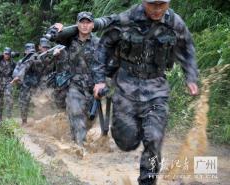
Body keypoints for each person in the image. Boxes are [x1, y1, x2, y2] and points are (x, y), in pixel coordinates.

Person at [92, 0, 199, 184]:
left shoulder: (174, 22)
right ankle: (136, 129)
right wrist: (99, 80)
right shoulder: (126, 19)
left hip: (156, 89)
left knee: (154, 138)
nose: (157, 10)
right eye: (152, 5)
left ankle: (148, 181)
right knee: (126, 142)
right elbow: (103, 46)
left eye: (162, 5)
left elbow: (187, 48)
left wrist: (191, 77)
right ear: (144, 2)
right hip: (126, 88)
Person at [53, 12, 100, 146]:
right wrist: (59, 28)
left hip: (92, 87)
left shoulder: (98, 43)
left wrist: (103, 84)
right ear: (77, 24)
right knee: (76, 112)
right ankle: (80, 148)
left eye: (88, 22)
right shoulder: (69, 40)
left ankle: (76, 140)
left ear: (92, 25)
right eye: (82, 22)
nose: (85, 25)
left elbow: (105, 65)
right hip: (75, 86)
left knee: (89, 119)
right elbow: (55, 36)